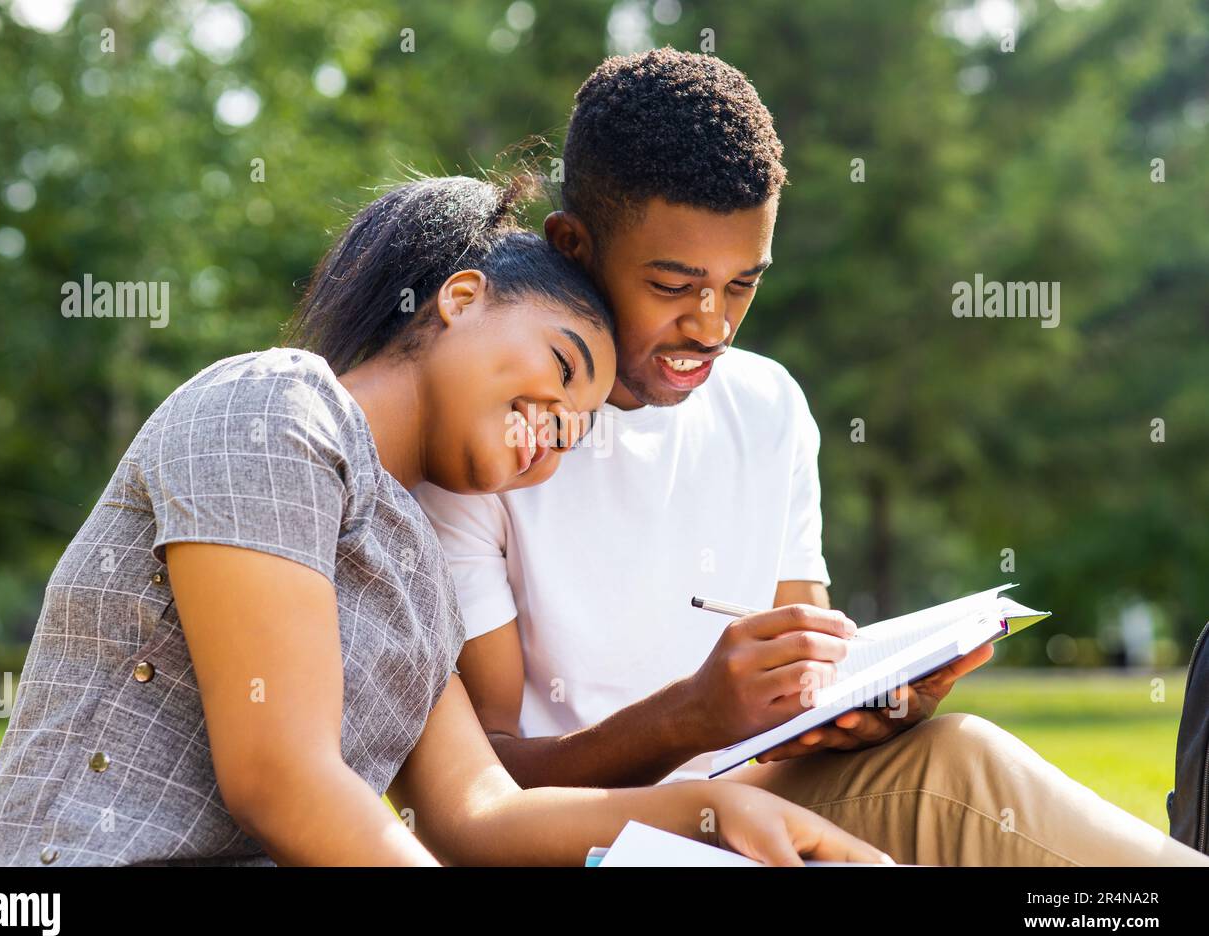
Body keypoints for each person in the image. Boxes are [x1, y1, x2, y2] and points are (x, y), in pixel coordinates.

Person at [413, 50, 1209, 866]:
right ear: (573, 244)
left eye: (742, 284)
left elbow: (802, 697)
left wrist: (870, 706)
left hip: (750, 817)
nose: (712, 325)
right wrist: (687, 718)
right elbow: (481, 793)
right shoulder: (492, 443)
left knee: (950, 756)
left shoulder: (767, 407)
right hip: (593, 843)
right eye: (674, 286)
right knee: (956, 781)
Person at [0, 174, 888, 867]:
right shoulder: (273, 410)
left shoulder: (408, 558)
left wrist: (711, 816)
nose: (558, 430)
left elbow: (476, 809)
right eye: (563, 369)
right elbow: (281, 777)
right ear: (461, 298)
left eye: (581, 425)